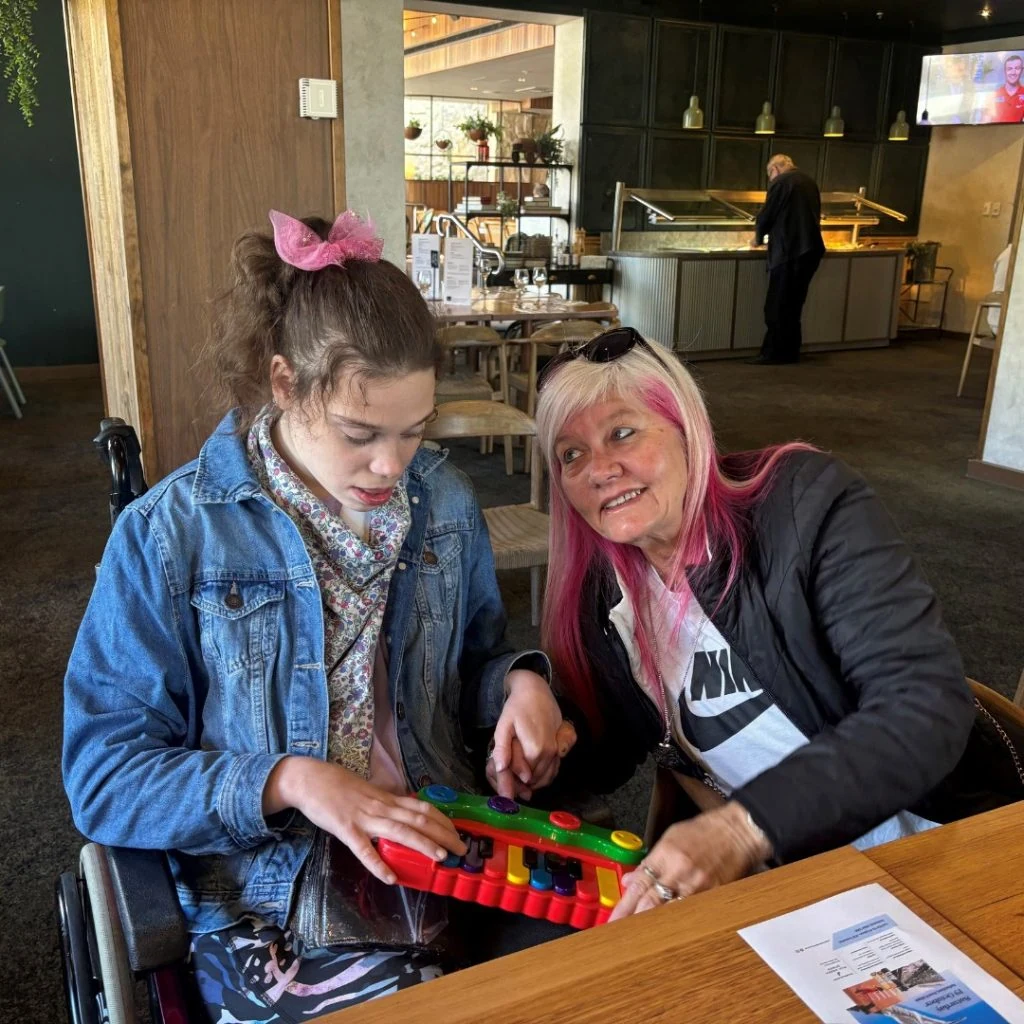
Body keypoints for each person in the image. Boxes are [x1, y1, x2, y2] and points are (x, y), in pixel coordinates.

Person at [63, 210, 574, 1021]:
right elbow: (104, 778)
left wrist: (516, 687)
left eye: (415, 431)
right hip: (271, 903)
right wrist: (291, 781)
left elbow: (472, 660)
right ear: (283, 383)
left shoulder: (439, 498)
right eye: (360, 433)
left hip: (448, 851)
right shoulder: (172, 535)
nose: (391, 465)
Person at [533, 326, 1023, 920]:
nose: (599, 468)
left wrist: (745, 828)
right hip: (793, 887)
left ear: (687, 429)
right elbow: (608, 754)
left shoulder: (806, 503)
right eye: (571, 454)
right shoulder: (608, 596)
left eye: (623, 432)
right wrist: (539, 722)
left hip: (944, 848)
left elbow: (925, 706)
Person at [749, 154, 826, 365]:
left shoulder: (781, 182)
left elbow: (768, 214)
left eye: (769, 174)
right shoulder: (808, 181)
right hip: (810, 250)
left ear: (774, 169)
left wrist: (757, 237)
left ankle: (773, 354)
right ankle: (791, 352)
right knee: (794, 305)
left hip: (789, 252)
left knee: (776, 305)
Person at [990, 54, 1024, 123]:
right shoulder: (995, 94)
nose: (1013, 72)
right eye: (1009, 69)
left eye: (1017, 68)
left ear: (1022, 70)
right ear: (1005, 71)